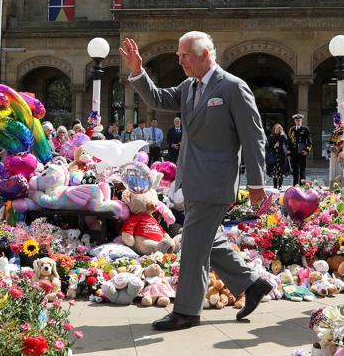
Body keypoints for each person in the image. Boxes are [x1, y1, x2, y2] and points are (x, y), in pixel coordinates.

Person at [121, 31, 271, 331]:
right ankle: (252, 282)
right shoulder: (189, 86)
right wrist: (138, 71)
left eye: (184, 55)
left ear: (205, 54)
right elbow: (159, 98)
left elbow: (254, 137)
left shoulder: (232, 87)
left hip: (215, 181)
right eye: (178, 55)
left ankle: (187, 312)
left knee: (192, 247)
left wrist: (257, 184)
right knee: (205, 239)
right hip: (191, 178)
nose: (180, 61)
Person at [287, 114, 311, 186]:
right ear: (294, 121)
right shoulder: (292, 129)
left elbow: (309, 141)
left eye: (299, 120)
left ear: (301, 121)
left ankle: (302, 185)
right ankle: (295, 185)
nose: (298, 122)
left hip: (301, 152)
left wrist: (306, 150)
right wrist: (288, 150)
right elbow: (289, 141)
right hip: (293, 153)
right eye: (297, 120)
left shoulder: (305, 129)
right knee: (295, 170)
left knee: (302, 170)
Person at [266, 123, 290, 189]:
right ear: (274, 129)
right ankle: (275, 186)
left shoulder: (283, 135)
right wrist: (274, 146)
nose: (277, 130)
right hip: (274, 156)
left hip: (281, 156)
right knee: (274, 172)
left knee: (281, 171)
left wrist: (282, 135)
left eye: (278, 129)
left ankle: (280, 186)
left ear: (280, 129)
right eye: (276, 128)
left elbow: (286, 142)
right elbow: (268, 146)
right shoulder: (271, 136)